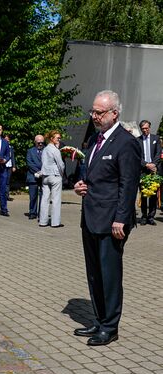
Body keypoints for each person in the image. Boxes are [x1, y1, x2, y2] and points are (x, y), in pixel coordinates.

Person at [73, 90, 141, 346]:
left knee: (109, 275)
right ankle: (99, 320)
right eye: (93, 111)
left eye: (99, 112)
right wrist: (81, 185)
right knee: (94, 274)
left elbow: (128, 183)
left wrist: (121, 218)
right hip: (90, 217)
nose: (94, 116)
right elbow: (94, 177)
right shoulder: (94, 141)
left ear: (114, 113)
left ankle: (110, 327)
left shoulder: (126, 143)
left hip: (112, 221)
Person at [38, 130, 65, 228]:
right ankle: (55, 222)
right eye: (57, 138)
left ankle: (43, 221)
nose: (59, 139)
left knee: (44, 199)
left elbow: (43, 162)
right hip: (55, 176)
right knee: (56, 199)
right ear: (52, 139)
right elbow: (60, 164)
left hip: (45, 176)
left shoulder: (45, 149)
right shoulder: (55, 150)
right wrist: (61, 174)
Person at [137, 120, 161, 226]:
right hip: (143, 170)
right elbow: (137, 156)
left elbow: (158, 153)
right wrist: (146, 164)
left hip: (154, 170)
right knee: (143, 194)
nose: (145, 130)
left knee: (153, 194)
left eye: (146, 128)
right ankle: (144, 216)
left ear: (149, 128)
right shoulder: (137, 140)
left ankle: (151, 217)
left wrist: (153, 164)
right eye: (143, 129)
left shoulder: (156, 138)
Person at [26, 135, 44, 220]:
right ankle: (32, 212)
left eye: (42, 142)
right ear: (35, 142)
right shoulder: (30, 151)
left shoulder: (46, 151)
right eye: (38, 142)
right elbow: (30, 163)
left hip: (44, 177)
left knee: (43, 197)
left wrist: (43, 172)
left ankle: (41, 213)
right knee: (33, 196)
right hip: (33, 177)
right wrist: (38, 171)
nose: (40, 144)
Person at [4, 134, 16, 202]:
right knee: (2, 181)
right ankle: (2, 195)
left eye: (8, 139)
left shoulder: (11, 147)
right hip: (3, 166)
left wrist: (14, 166)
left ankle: (7, 195)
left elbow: (13, 157)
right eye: (5, 139)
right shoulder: (2, 148)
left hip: (9, 166)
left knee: (7, 181)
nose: (7, 140)